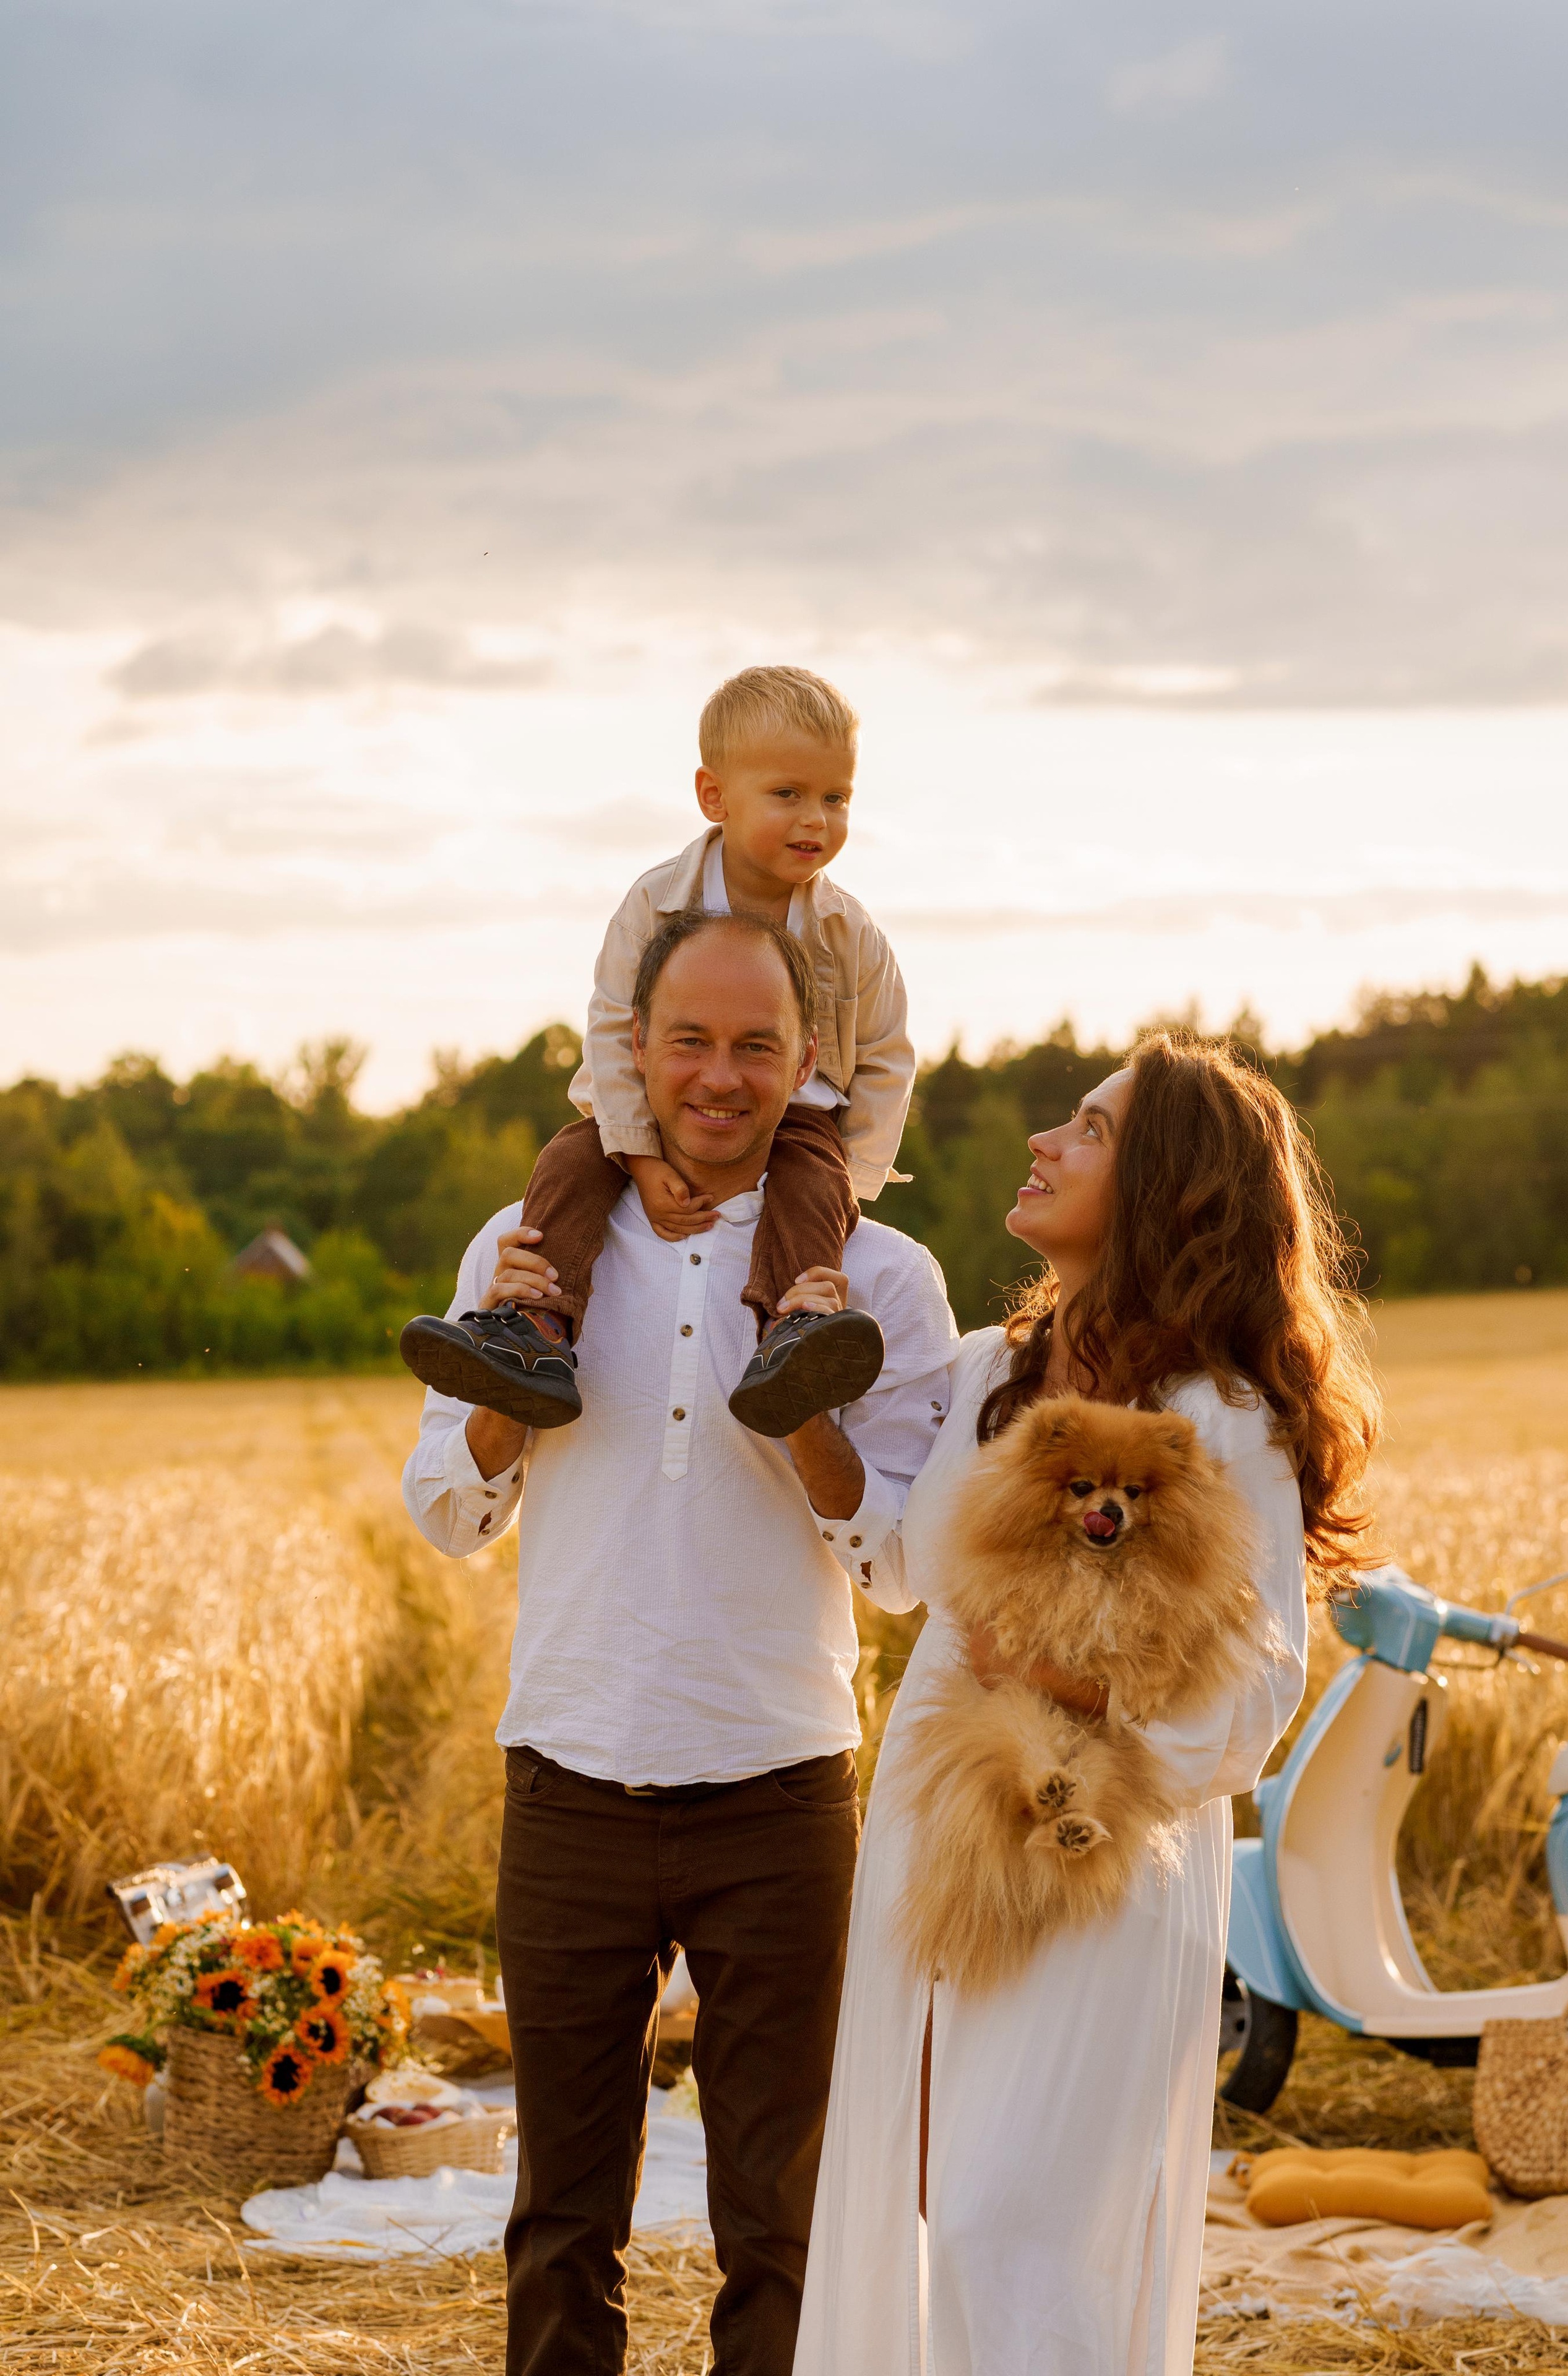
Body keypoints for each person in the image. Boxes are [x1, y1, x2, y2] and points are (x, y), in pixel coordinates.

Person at [400, 907, 956, 2376]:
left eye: (754, 1042)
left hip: (778, 1789)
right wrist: (509, 1380)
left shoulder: (883, 1280)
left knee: (779, 2220)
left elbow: (901, 1565)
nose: (718, 1074)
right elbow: (448, 1514)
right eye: (690, 1039)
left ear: (810, 1059)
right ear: (630, 1051)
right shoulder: (531, 1248)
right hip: (568, 1775)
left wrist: (809, 1411)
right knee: (560, 2214)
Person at [792, 1034, 1381, 2376]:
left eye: (1087, 1129)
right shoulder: (995, 1369)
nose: (1041, 1142)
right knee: (926, 2202)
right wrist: (809, 1416)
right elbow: (901, 1574)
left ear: (1169, 1183)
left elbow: (1254, 1700)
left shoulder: (1215, 1412)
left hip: (1100, 1859)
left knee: (1021, 2224)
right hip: (935, 1824)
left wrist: (1063, 1685)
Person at [400, 664, 915, 1442]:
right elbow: (613, 1030)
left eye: (836, 797)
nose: (817, 818)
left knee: (809, 1189)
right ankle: (533, 1327)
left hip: (801, 1120)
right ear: (715, 797)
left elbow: (885, 1058)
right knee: (569, 1166)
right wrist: (637, 1156)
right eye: (788, 794)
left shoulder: (851, 933)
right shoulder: (654, 902)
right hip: (643, 1115)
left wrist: (853, 1179)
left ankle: (794, 1335)